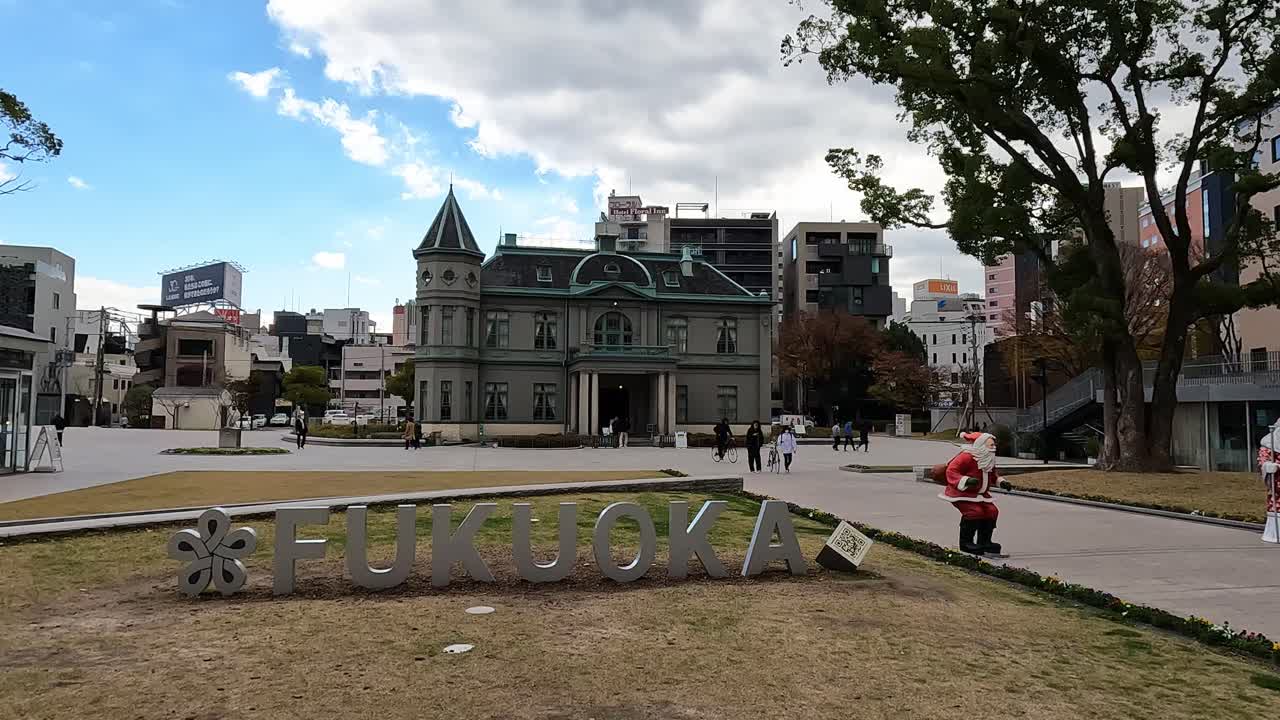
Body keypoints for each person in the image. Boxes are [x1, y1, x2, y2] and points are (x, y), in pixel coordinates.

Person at [940, 431, 1007, 555]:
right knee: (974, 512)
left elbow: (992, 474)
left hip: (980, 495)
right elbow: (951, 471)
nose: (994, 448)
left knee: (992, 511)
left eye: (994, 445)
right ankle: (966, 543)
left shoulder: (987, 458)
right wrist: (966, 480)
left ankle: (984, 541)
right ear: (981, 445)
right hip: (962, 493)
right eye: (991, 445)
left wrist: (1001, 482)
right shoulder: (966, 457)